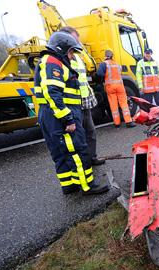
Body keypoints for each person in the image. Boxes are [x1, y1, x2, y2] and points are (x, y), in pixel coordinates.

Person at [34, 31, 109, 195]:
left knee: (61, 153)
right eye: (70, 52)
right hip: (61, 116)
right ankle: (87, 186)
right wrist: (68, 119)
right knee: (78, 150)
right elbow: (52, 93)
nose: (71, 55)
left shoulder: (49, 61)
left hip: (52, 115)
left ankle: (69, 184)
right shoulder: (53, 62)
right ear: (61, 49)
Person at [60, 26, 105, 165]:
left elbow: (83, 80)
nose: (77, 44)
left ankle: (92, 158)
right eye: (75, 40)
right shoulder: (62, 59)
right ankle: (82, 163)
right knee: (77, 137)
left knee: (91, 132)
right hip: (72, 104)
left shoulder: (78, 58)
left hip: (84, 102)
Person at [97, 50, 134, 128]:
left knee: (113, 105)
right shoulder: (117, 64)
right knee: (124, 104)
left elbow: (99, 73)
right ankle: (129, 122)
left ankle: (117, 123)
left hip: (110, 87)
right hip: (120, 86)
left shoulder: (104, 64)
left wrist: (103, 79)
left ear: (105, 56)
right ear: (112, 56)